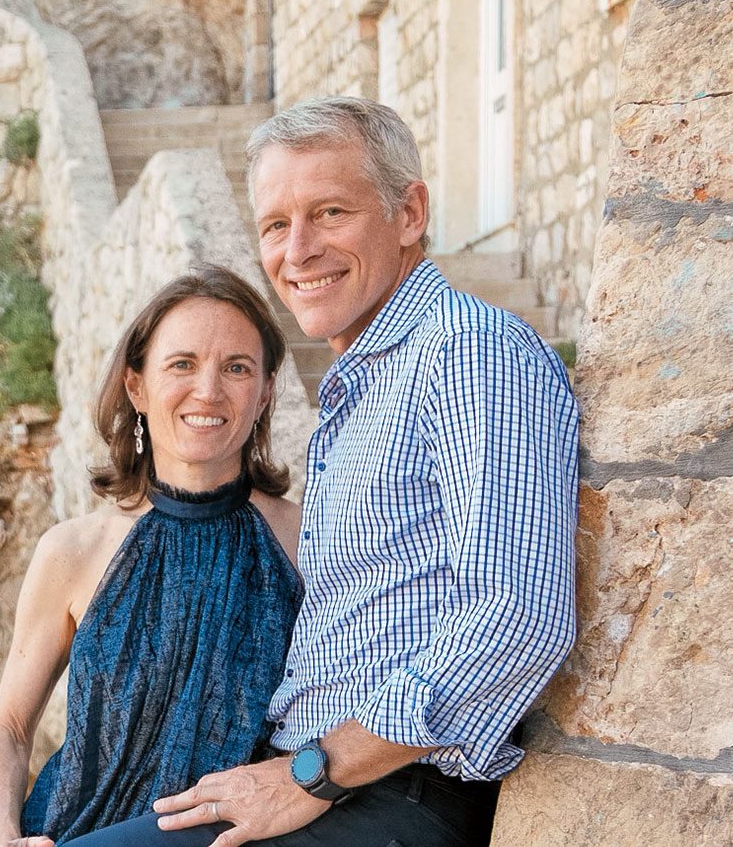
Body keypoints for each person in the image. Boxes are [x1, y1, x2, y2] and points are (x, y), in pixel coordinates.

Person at [75, 96, 579, 847]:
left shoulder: (469, 352)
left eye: (331, 213)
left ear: (409, 214)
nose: (297, 250)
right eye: (276, 225)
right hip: (326, 781)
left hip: (388, 793)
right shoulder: (364, 384)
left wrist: (313, 771)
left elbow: (518, 616)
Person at [0, 266, 304, 846]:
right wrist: (1, 837)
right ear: (137, 387)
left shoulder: (306, 540)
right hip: (68, 833)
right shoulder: (71, 551)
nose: (209, 390)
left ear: (265, 391)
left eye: (237, 368)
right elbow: (8, 726)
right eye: (182, 364)